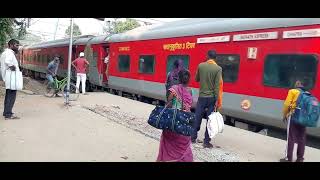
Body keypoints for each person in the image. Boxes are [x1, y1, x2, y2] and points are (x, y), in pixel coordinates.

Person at [157, 69, 193, 162]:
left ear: (179, 79)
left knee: (168, 139)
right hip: (185, 121)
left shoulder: (173, 89)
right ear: (189, 80)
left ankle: (167, 158)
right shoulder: (190, 91)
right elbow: (190, 105)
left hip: (173, 121)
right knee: (185, 144)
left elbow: (168, 105)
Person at [191, 50, 223, 148]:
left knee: (197, 117)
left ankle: (192, 137)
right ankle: (206, 142)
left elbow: (196, 79)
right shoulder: (218, 69)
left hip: (202, 97)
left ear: (207, 56)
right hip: (212, 98)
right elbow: (217, 86)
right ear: (215, 58)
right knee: (210, 120)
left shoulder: (201, 65)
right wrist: (217, 100)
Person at [280, 80, 307, 162]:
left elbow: (287, 104)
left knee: (291, 137)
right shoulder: (307, 93)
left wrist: (284, 115)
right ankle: (300, 158)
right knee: (302, 138)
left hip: (294, 115)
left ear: (296, 85)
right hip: (304, 118)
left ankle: (288, 158)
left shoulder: (292, 91)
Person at [0, 39, 21, 120]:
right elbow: (8, 62)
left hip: (7, 77)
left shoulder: (5, 53)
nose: (18, 47)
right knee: (11, 96)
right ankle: (8, 114)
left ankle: (6, 112)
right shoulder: (9, 53)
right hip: (11, 77)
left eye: (18, 45)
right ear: (11, 45)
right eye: (16, 45)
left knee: (8, 95)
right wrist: (14, 67)